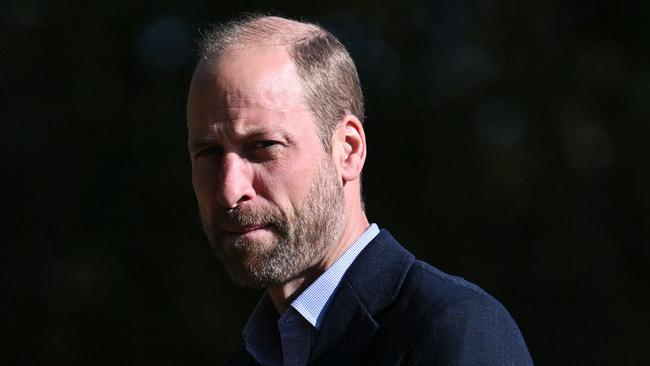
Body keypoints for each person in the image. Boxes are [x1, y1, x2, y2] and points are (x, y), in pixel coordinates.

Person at [186, 15, 533, 366]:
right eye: (208, 153)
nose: (230, 191)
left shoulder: (453, 332)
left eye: (263, 146)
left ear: (348, 150)